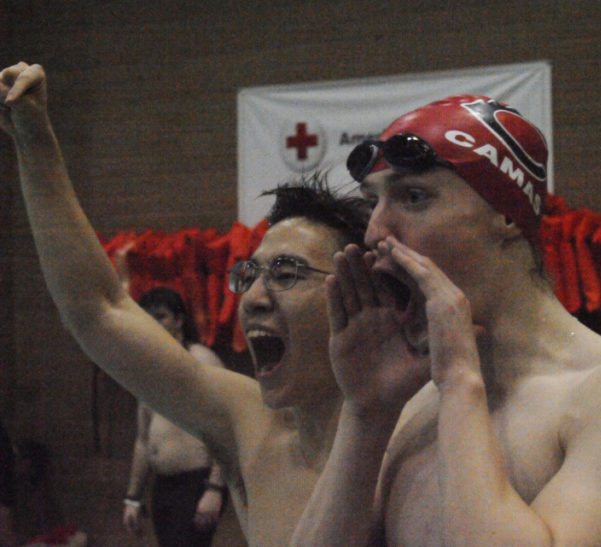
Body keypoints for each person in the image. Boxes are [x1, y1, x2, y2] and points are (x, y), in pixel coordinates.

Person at [291, 96, 601, 545]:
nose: (375, 232)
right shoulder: (410, 406)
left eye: (413, 197)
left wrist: (460, 381)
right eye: (374, 203)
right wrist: (365, 412)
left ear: (506, 213)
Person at [0, 62, 369, 546]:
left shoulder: (424, 428)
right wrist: (35, 143)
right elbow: (98, 309)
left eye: (286, 274)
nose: (254, 299)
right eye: (250, 274)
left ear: (358, 289)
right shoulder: (247, 420)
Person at [121, 287, 227, 546]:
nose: (153, 325)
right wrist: (133, 497)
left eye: (161, 317)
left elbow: (228, 428)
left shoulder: (201, 361)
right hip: (163, 485)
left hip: (194, 483)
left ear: (179, 320)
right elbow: (144, 440)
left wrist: (215, 489)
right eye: (148, 318)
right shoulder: (149, 369)